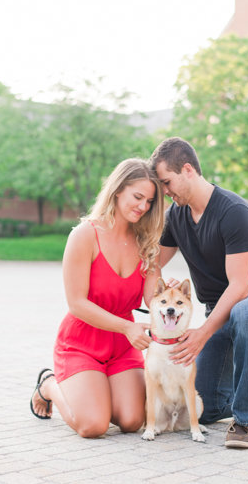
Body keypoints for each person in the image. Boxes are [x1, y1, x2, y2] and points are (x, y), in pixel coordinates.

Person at [150, 137, 248, 449]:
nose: (164, 191)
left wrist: (201, 333)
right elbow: (151, 266)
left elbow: (241, 288)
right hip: (219, 312)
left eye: (166, 182)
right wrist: (162, 290)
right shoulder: (176, 217)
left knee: (246, 314)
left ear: (187, 169)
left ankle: (245, 422)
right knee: (205, 407)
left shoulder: (234, 212)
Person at [30, 158, 166, 437]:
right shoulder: (84, 235)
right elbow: (77, 304)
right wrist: (127, 327)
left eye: (149, 201)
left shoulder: (146, 243)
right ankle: (49, 385)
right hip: (82, 342)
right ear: (118, 190)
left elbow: (153, 300)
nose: (143, 206)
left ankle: (99, 388)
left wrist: (168, 297)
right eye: (137, 197)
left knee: (131, 421)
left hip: (122, 345)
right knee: (93, 426)